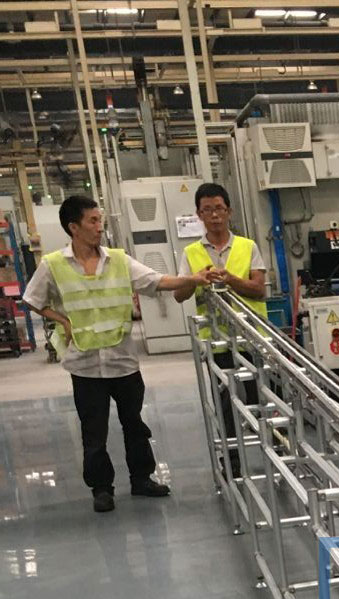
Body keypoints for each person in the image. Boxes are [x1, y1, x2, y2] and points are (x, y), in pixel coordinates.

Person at [23, 194, 208, 513]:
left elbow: (156, 281)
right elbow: (32, 299)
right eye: (93, 221)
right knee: (93, 432)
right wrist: (63, 320)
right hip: (85, 365)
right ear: (74, 227)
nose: (100, 227)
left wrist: (193, 278)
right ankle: (101, 489)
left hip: (123, 361)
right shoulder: (53, 265)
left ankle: (142, 479)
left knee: (134, 423)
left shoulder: (119, 260)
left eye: (101, 220)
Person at [174, 183, 268, 478]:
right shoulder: (191, 252)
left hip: (251, 338)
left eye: (219, 208)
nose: (214, 215)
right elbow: (179, 295)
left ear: (229, 211)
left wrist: (231, 280)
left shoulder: (248, 247)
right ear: (199, 215)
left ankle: (275, 450)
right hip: (217, 343)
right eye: (207, 210)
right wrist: (195, 279)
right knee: (225, 404)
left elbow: (259, 290)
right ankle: (232, 462)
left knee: (263, 398)